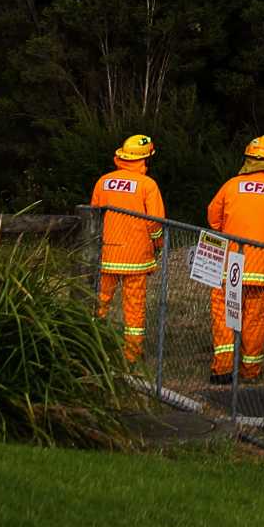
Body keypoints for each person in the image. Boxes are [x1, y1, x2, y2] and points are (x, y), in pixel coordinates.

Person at [205, 135, 264, 386]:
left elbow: (213, 220)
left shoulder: (231, 186)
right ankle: (250, 371)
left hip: (231, 266)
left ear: (247, 159)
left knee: (224, 313)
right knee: (256, 319)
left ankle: (223, 369)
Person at [92, 133, 166, 364]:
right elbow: (155, 222)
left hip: (106, 255)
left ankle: (89, 347)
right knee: (134, 309)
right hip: (136, 258)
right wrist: (158, 245)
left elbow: (93, 216)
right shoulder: (147, 185)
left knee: (99, 303)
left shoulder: (104, 181)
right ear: (145, 160)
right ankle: (132, 356)